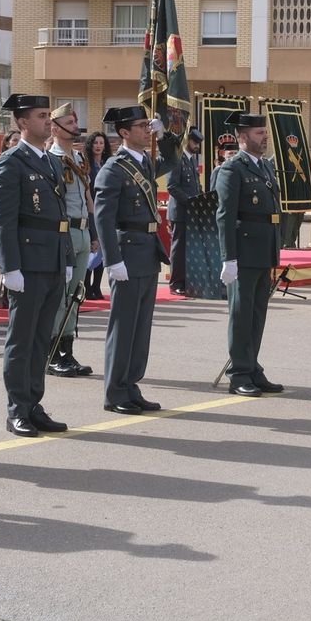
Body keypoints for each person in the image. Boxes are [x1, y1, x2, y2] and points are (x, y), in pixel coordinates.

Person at [0, 94, 71, 438]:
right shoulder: (12, 162)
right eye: (41, 116)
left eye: (48, 116)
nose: (47, 122)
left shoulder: (52, 161)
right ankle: (16, 409)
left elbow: (62, 216)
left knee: (42, 339)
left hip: (51, 259)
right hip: (27, 262)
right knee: (21, 340)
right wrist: (9, 268)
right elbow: (4, 220)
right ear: (22, 122)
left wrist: (65, 258)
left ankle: (33, 403)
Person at [93, 105, 170, 414]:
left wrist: (165, 136)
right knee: (123, 326)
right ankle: (115, 391)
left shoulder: (145, 163)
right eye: (141, 126)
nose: (146, 129)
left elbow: (175, 160)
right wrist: (113, 260)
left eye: (147, 125)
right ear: (124, 133)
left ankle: (131, 384)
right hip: (127, 252)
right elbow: (104, 218)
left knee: (141, 327)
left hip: (147, 250)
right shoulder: (113, 168)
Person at [215, 111, 284, 397]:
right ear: (242, 138)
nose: (264, 136)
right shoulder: (232, 169)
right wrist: (228, 257)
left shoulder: (266, 167)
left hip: (264, 250)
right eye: (258, 133)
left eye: (264, 132)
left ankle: (252, 366)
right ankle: (239, 373)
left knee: (257, 313)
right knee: (241, 314)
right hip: (244, 252)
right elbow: (225, 216)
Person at [46, 104, 95, 378]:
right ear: (55, 128)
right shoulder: (51, 159)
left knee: (76, 295)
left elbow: (88, 196)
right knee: (60, 296)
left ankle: (67, 351)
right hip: (64, 232)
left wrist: (94, 232)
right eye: (69, 122)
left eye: (75, 122)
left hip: (83, 231)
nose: (75, 127)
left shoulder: (78, 157)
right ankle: (52, 352)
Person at [165, 127, 202, 295]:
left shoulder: (192, 160)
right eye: (195, 142)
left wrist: (201, 200)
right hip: (180, 212)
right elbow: (172, 186)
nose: (197, 145)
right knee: (179, 249)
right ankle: (176, 283)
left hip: (192, 212)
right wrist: (190, 202)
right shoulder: (177, 158)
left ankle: (187, 280)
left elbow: (195, 185)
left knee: (189, 248)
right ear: (187, 140)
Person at [82, 131, 110, 300]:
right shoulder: (86, 164)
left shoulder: (107, 164)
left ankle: (97, 286)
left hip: (106, 211)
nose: (98, 146)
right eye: (95, 143)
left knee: (103, 250)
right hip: (91, 209)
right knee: (92, 247)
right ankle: (86, 286)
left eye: (101, 143)